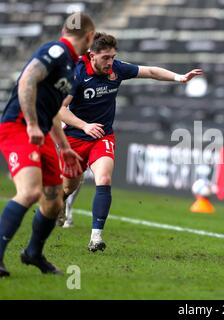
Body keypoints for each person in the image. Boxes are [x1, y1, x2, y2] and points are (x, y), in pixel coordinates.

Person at [58, 32, 203, 252]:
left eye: (113, 57)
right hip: (75, 137)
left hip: (102, 136)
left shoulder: (116, 69)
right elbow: (59, 109)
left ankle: (96, 237)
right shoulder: (77, 74)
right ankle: (59, 201)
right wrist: (84, 125)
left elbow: (151, 71)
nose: (110, 62)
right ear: (92, 55)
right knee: (69, 185)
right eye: (105, 57)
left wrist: (179, 78)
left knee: (104, 178)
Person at [0, 13, 95, 277]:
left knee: (53, 202)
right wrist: (31, 123)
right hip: (19, 127)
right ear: (89, 36)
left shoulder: (71, 66)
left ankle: (33, 253)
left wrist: (64, 147)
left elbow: (52, 110)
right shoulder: (56, 50)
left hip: (39, 132)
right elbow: (27, 79)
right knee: (30, 192)